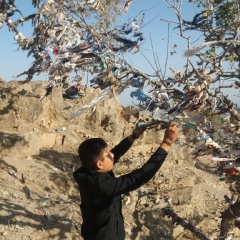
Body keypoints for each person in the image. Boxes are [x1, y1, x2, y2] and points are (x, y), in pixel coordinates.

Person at [73, 122, 178, 240]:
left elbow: (115, 153)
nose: (112, 155)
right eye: (108, 154)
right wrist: (167, 143)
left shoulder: (87, 170)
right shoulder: (102, 185)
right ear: (99, 164)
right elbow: (138, 177)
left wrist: (133, 136)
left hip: (94, 232)